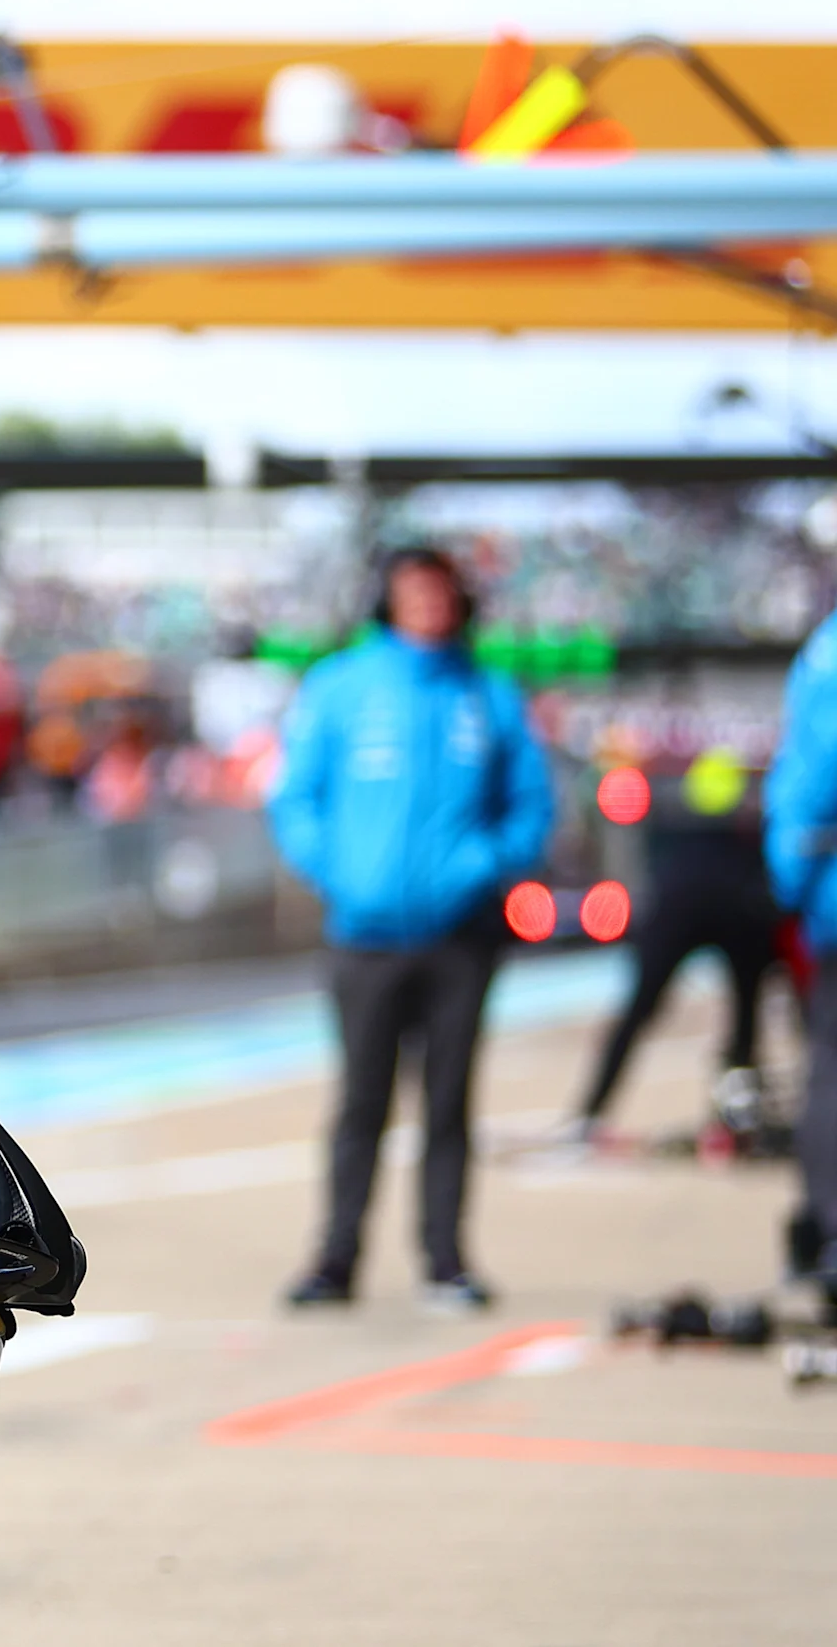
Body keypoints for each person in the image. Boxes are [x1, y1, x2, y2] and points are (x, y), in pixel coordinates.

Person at [270, 548, 550, 1311]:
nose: (427, 602)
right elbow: (294, 799)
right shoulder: (339, 687)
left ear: (460, 600)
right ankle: (335, 1260)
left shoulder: (489, 694)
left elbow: (532, 803)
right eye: (411, 591)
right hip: (363, 934)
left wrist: (483, 865)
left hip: (461, 937)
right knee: (362, 1102)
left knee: (450, 1104)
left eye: (439, 590)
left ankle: (446, 1261)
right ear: (386, 601)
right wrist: (339, 872)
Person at [574, 746, 779, 1142]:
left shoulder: (680, 832)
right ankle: (740, 1117)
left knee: (642, 1010)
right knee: (745, 1017)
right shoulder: (743, 832)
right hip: (731, 905)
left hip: (687, 905)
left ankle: (590, 1112)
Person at [760, 617, 837, 1308]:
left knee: (832, 1075)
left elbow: (811, 779)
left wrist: (789, 885)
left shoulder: (828, 652)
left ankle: (831, 1232)